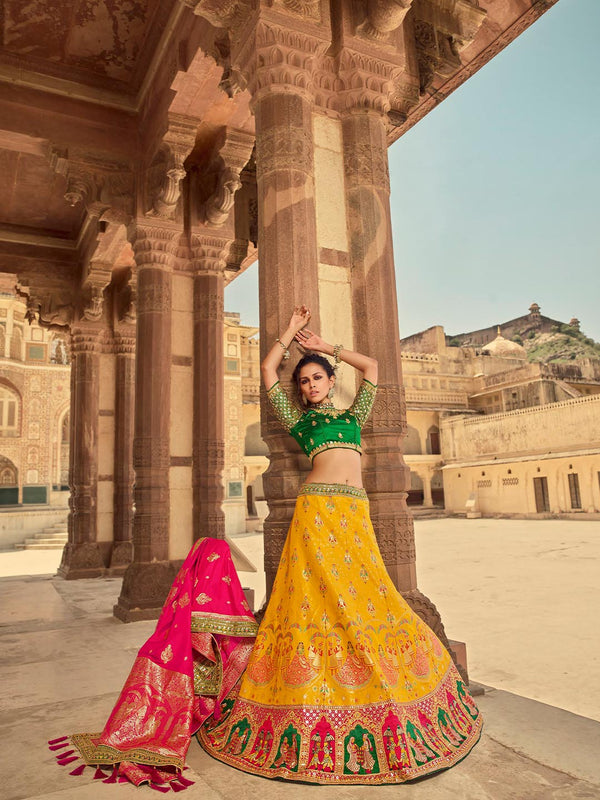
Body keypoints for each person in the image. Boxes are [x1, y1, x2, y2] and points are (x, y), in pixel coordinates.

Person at [196, 305, 482, 783]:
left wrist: (326, 348)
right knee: (314, 602)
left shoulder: (354, 413)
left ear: (329, 381)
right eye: (305, 381)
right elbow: (268, 370)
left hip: (354, 514)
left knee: (369, 598)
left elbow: (372, 367)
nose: (310, 385)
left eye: (316, 379)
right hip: (315, 513)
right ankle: (310, 695)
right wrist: (287, 336)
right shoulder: (299, 421)